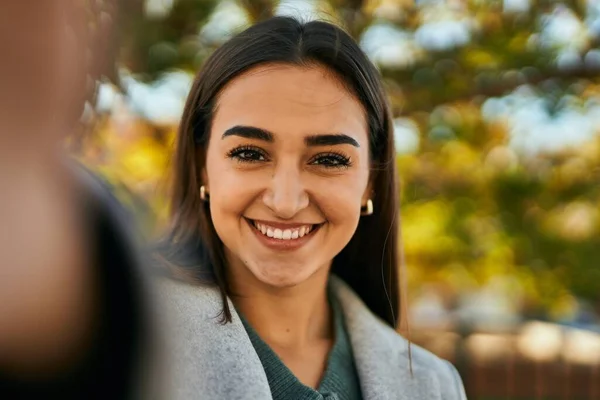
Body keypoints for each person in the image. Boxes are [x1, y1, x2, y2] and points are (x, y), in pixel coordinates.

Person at [157, 16, 467, 400]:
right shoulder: (115, 344)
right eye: (250, 153)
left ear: (371, 179)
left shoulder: (434, 385)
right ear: (202, 166)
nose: (286, 203)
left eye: (329, 160)